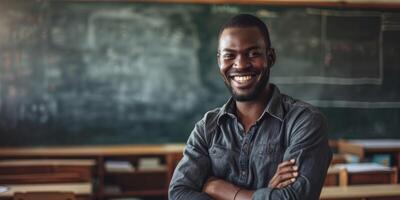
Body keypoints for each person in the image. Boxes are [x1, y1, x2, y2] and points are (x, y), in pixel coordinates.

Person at [169, 14, 332, 200]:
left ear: (270, 57)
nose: (241, 64)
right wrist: (262, 194)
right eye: (229, 55)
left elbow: (295, 198)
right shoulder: (207, 128)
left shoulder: (304, 121)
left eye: (253, 54)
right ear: (219, 61)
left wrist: (219, 189)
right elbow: (178, 193)